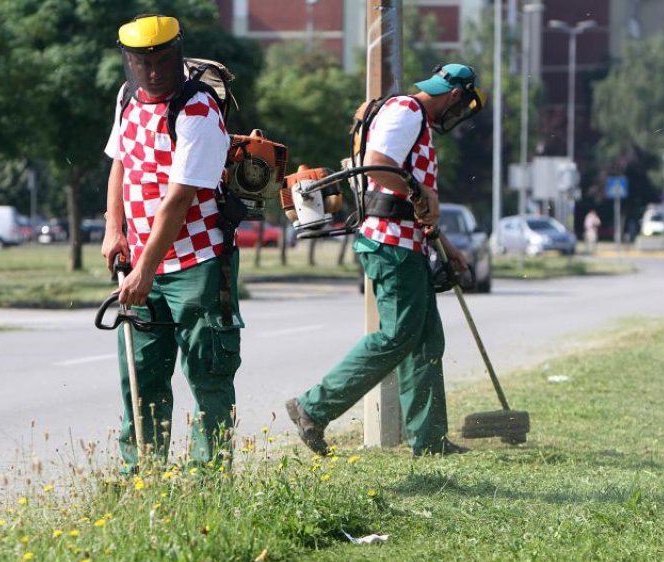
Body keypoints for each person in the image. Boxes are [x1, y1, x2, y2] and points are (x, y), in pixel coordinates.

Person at [286, 64, 484, 457]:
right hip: (390, 244)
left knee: (425, 340)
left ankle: (429, 442)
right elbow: (378, 161)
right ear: (456, 97)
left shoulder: (414, 118)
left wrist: (444, 240)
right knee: (397, 335)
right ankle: (313, 407)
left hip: (406, 240)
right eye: (459, 107)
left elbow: (411, 202)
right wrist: (418, 190)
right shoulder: (408, 111)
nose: (456, 117)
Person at [102, 14, 242, 471]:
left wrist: (143, 268)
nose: (153, 71)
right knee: (140, 376)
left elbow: (178, 199)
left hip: (197, 262)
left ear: (177, 54)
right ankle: (140, 476)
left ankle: (209, 483)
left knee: (208, 374)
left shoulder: (198, 110)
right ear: (128, 62)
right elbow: (120, 163)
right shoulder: (127, 98)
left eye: (162, 59)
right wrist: (114, 229)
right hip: (143, 264)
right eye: (142, 62)